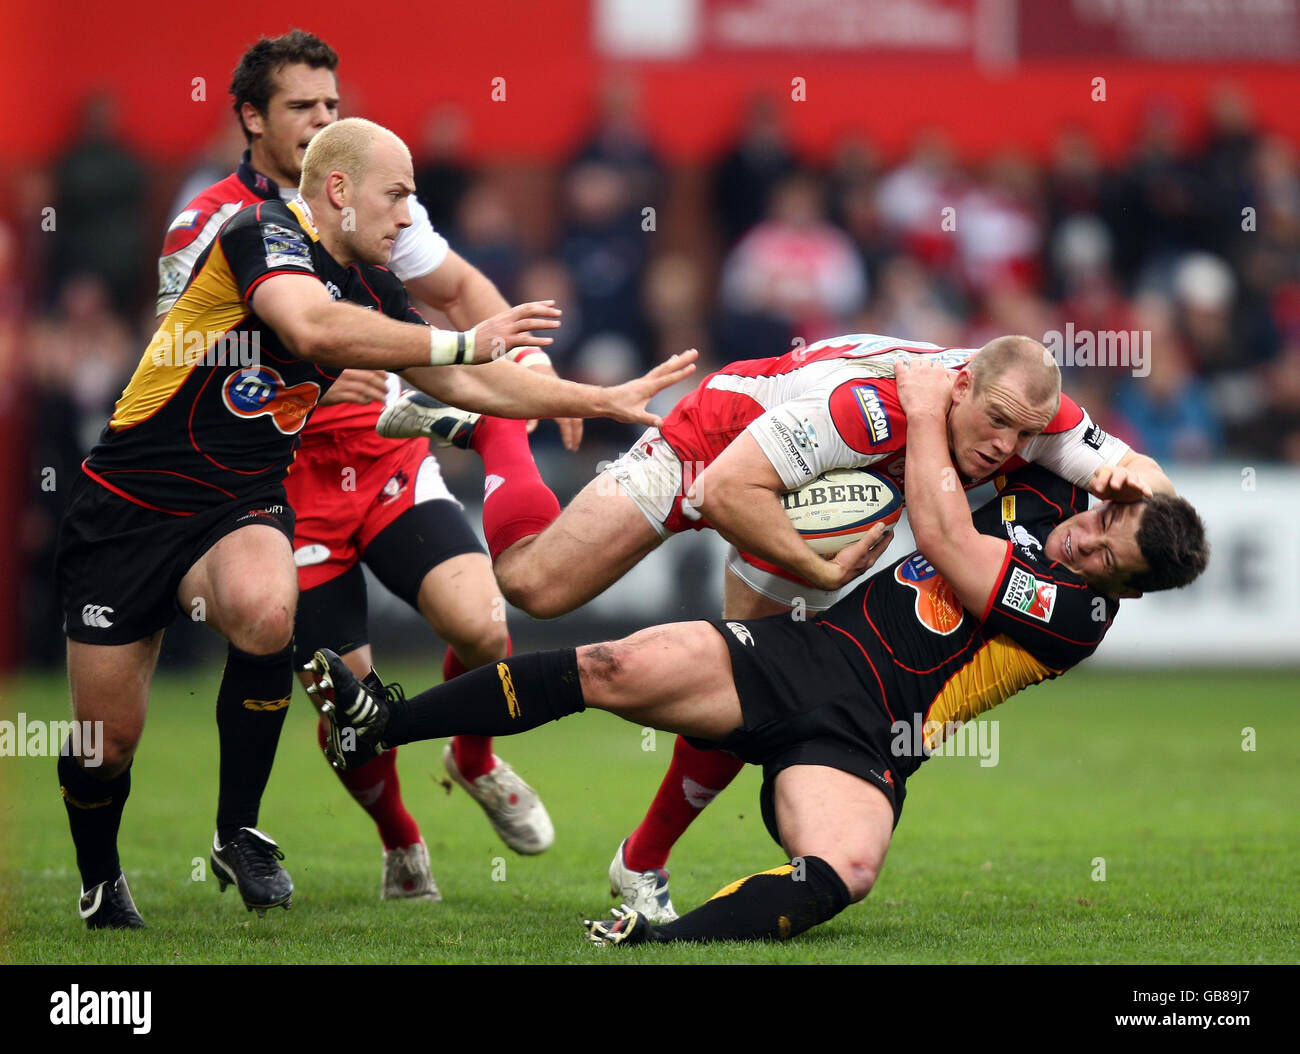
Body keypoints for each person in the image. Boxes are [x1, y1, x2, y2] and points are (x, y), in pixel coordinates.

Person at [308, 357, 1209, 944]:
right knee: (558, 611)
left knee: (848, 872)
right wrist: (820, 558)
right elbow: (737, 492)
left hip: (873, 734)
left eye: (1104, 560)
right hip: (736, 449)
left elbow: (956, 529)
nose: (1083, 538)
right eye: (1099, 521)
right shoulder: (896, 410)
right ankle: (388, 710)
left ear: (1121, 591)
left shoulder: (1076, 609)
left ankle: (651, 921)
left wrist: (934, 439)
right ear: (967, 386)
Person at [56, 116, 697, 929]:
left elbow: (472, 387)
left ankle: (238, 831)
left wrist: (595, 401)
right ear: (337, 192)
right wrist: (465, 342)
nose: (406, 216)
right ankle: (100, 878)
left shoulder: (376, 290)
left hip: (240, 500)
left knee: (266, 608)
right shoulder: (261, 233)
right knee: (105, 745)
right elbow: (311, 329)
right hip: (129, 503)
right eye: (396, 196)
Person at [156, 30, 581, 902]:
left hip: (386, 452)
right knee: (352, 706)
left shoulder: (374, 196)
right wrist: (293, 359)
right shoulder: (207, 225)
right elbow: (180, 352)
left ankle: (475, 760)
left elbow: (460, 292)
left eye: (332, 106)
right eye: (301, 108)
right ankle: (400, 839)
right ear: (251, 117)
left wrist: (534, 376)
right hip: (282, 487)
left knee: (481, 623)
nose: (321, 122)